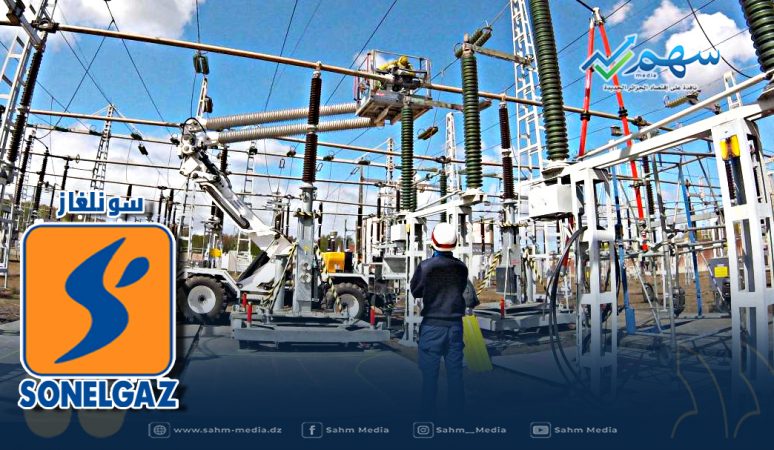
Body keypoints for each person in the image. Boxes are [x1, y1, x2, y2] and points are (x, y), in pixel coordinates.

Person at [410, 222, 479, 415]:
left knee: (430, 377)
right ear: (455, 243)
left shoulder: (426, 267)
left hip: (432, 326)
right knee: (455, 374)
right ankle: (456, 417)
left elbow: (416, 291)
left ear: (433, 241)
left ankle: (428, 418)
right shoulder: (462, 268)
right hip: (455, 327)